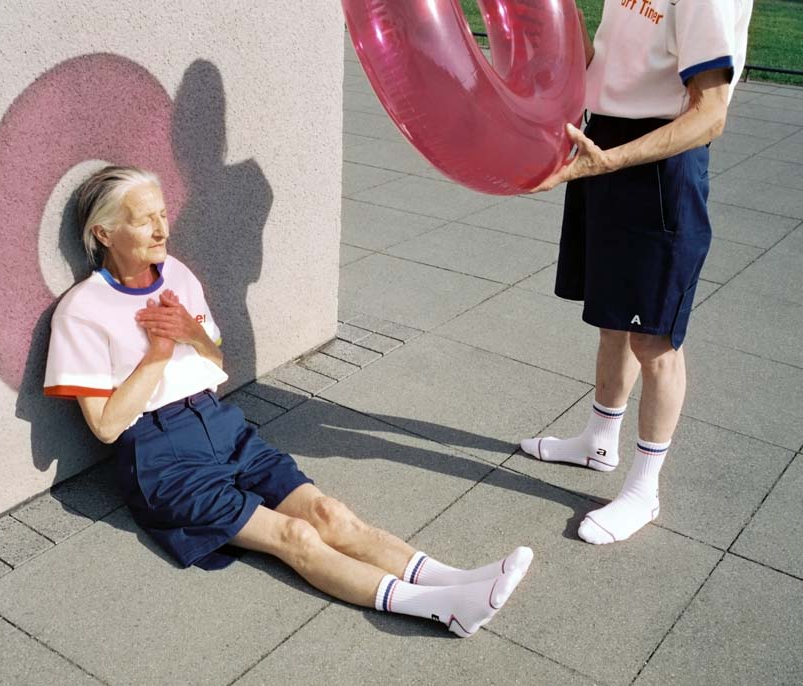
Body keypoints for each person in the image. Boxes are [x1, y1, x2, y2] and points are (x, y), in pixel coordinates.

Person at [44, 165, 532, 636]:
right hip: (162, 458)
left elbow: (215, 364)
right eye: (142, 218)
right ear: (104, 233)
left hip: (220, 424)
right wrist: (157, 357)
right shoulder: (82, 310)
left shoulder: (176, 273)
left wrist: (193, 334)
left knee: (329, 515)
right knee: (294, 537)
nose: (160, 228)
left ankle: (458, 580)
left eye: (163, 213)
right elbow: (106, 427)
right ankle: (442, 609)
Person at [522, 1, 754, 544]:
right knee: (613, 317)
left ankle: (644, 490)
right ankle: (599, 440)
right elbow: (607, 64)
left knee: (655, 342)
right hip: (605, 143)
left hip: (654, 164)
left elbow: (710, 113)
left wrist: (611, 159)